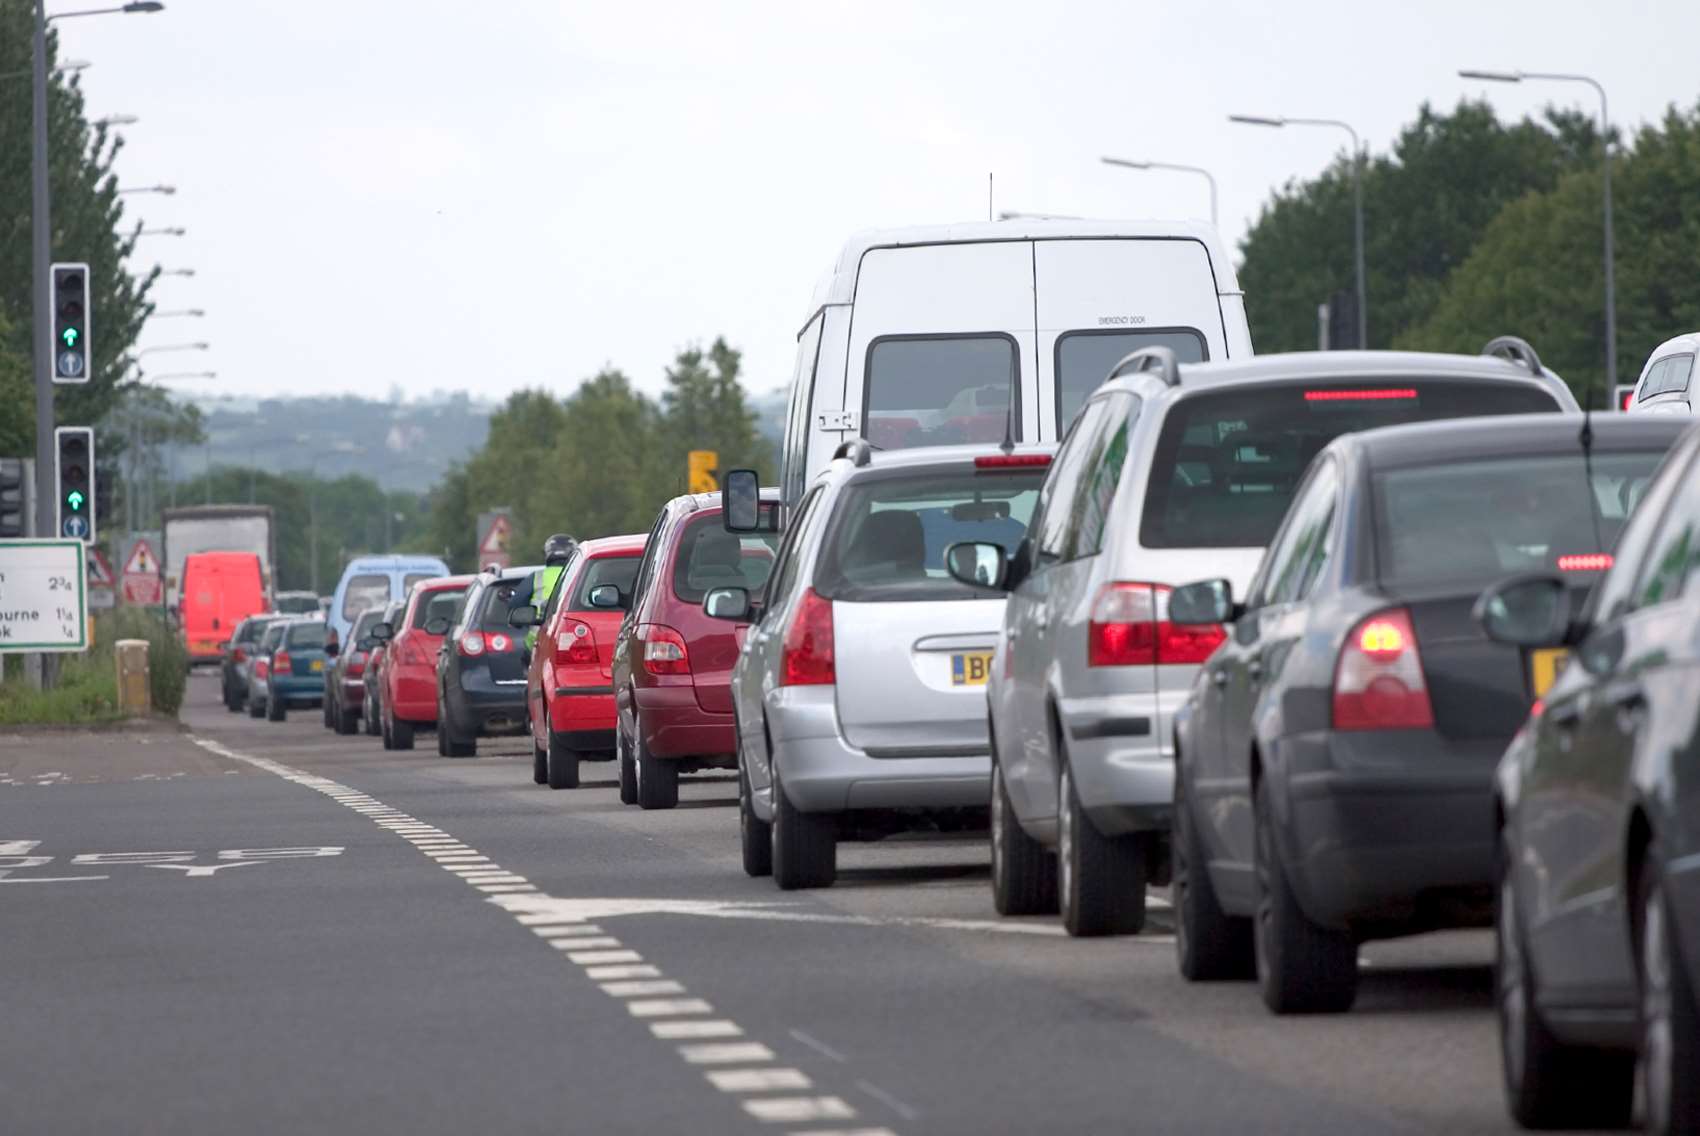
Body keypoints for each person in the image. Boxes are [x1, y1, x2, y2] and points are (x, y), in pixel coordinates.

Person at [527, 533, 576, 649]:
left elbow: (516, 604)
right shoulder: (580, 574)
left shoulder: (537, 577)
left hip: (538, 638)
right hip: (573, 637)